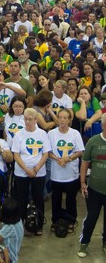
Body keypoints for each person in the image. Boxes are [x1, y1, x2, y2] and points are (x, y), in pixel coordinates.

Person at [11, 108, 51, 235]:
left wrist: (36, 168)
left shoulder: (42, 134)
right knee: (22, 199)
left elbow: (45, 153)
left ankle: (38, 225)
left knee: (38, 198)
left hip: (38, 172)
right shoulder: (19, 135)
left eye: (30, 119)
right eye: (26, 119)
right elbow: (16, 155)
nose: (27, 122)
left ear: (35, 120)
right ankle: (21, 224)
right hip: (22, 172)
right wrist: (27, 170)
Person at [48, 109, 84, 232]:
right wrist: (58, 159)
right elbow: (48, 152)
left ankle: (71, 220)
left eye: (65, 118)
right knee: (56, 199)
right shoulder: (51, 134)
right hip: (56, 174)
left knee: (70, 199)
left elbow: (79, 151)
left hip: (71, 174)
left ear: (69, 120)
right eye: (60, 117)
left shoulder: (75, 133)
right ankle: (56, 220)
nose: (62, 120)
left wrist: (68, 159)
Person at [77, 113, 106, 258]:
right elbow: (85, 163)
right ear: (102, 126)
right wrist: (82, 183)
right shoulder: (93, 141)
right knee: (91, 217)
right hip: (94, 188)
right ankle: (84, 242)